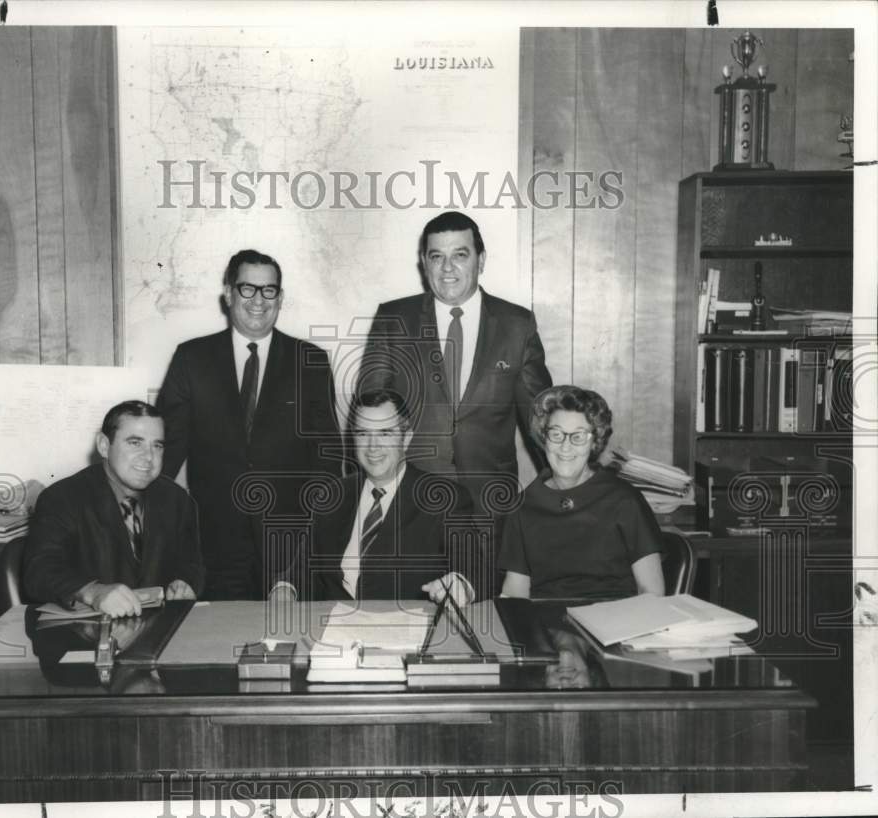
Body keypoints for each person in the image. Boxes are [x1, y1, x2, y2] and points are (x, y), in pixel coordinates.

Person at [157, 249, 341, 600]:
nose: (259, 300)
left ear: (280, 297)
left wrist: (311, 548)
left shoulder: (310, 361)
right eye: (247, 289)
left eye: (269, 290)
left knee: (288, 647)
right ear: (228, 294)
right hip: (213, 548)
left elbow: (328, 466)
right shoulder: (191, 359)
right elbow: (165, 457)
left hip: (288, 553)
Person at [360, 211, 552, 518]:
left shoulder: (516, 324)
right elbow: (369, 416)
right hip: (411, 504)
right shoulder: (393, 319)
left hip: (489, 506)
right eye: (437, 257)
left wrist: (562, 490)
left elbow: (542, 421)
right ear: (425, 263)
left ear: (481, 260)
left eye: (460, 255)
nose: (447, 268)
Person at [269, 389, 485, 604]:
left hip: (404, 630)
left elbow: (475, 571)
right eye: (363, 434)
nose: (373, 446)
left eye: (385, 433)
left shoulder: (444, 499)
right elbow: (303, 569)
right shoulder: (332, 495)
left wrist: (461, 585)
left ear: (406, 438)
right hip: (333, 629)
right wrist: (285, 589)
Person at [23, 401, 204, 618]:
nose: (148, 457)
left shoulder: (177, 499)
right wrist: (91, 591)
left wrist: (184, 583)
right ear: (103, 445)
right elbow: (38, 571)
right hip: (84, 638)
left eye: (157, 445)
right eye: (135, 443)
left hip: (158, 632)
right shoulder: (62, 498)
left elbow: (192, 564)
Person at [499, 385, 664, 600]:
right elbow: (515, 596)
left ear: (595, 441)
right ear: (544, 438)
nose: (565, 447)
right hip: (547, 624)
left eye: (578, 436)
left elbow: (653, 593)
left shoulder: (624, 500)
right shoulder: (524, 505)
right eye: (556, 434)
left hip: (615, 623)